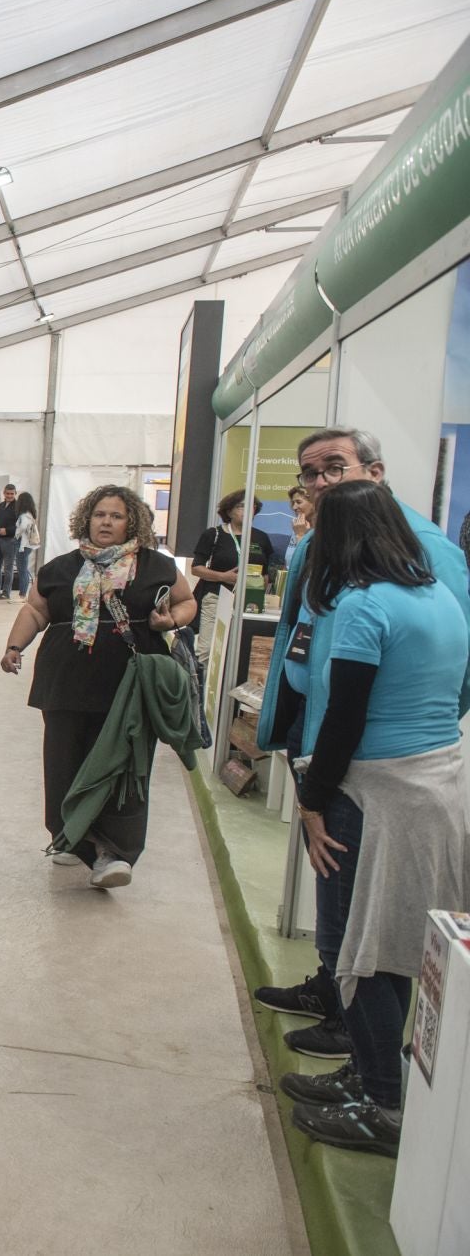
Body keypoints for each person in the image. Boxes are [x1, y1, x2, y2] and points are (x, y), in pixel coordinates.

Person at [252, 427, 470, 1062]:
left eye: (334, 469)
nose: (319, 485)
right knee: (343, 900)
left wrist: (392, 746)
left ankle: (364, 1059)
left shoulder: (407, 568)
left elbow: (437, 676)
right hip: (341, 748)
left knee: (363, 917)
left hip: (372, 764)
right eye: (309, 475)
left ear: (374, 472)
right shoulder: (350, 558)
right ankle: (333, 993)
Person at [0, 485, 196, 887]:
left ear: (132, 522)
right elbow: (36, 609)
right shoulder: (60, 568)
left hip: (129, 686)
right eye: (100, 514)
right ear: (86, 519)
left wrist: (169, 622)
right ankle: (74, 836)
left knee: (123, 764)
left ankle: (115, 852)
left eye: (116, 516)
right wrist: (14, 646)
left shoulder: (156, 566)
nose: (106, 522)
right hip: (66, 681)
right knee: (64, 761)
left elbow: (186, 601)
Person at [188, 489, 276, 692]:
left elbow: (268, 569)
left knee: (239, 650)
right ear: (229, 510)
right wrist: (223, 576)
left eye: (252, 506)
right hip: (216, 597)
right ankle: (201, 692)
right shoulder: (214, 535)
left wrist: (262, 581)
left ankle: (228, 692)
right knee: (208, 650)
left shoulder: (261, 538)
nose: (248, 510)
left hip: (248, 602)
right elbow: (196, 567)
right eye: (242, 506)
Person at [0, 484, 21, 599]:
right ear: (4, 493)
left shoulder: (18, 507)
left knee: (8, 568)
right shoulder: (1, 505)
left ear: (15, 493)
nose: (9, 496)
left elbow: (20, 526)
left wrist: (7, 531)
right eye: (7, 493)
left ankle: (6, 593)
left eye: (12, 493)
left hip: (10, 541)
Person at [12, 491, 40, 597]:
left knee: (22, 569)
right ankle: (23, 593)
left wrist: (17, 534)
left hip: (22, 544)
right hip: (28, 545)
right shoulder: (30, 515)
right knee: (24, 568)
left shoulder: (23, 516)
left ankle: (22, 594)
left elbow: (22, 527)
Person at [286, 486, 314, 572]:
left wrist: (301, 536)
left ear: (314, 503)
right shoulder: (298, 527)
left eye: (298, 502)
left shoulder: (323, 530)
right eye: (293, 503)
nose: (294, 507)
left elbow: (312, 565)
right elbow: (289, 563)